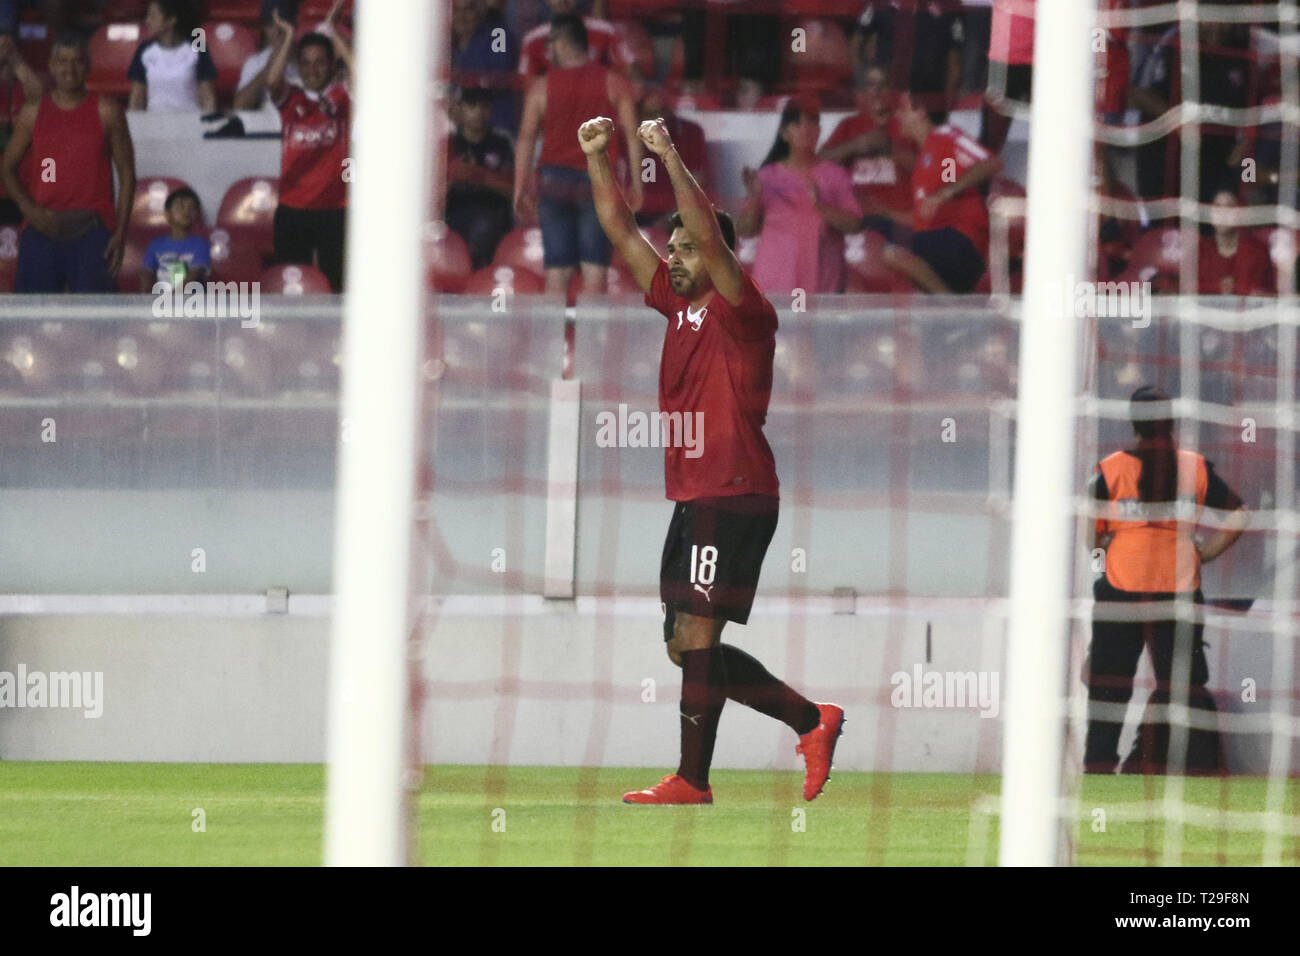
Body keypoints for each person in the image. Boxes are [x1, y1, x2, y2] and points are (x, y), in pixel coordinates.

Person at [581, 109, 845, 805]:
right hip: (694, 494)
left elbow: (705, 232)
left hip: (735, 488)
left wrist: (668, 155)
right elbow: (616, 229)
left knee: (697, 633)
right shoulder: (675, 302)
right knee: (684, 647)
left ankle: (692, 781)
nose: (675, 254)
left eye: (688, 246)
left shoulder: (743, 308)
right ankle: (811, 719)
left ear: (720, 256)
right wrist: (597, 157)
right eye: (673, 247)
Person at [1085, 386, 1249, 775]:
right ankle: (1172, 765)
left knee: (1110, 687)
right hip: (1179, 589)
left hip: (1121, 590)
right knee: (1183, 688)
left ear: (1133, 424)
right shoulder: (1195, 467)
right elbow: (1241, 514)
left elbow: (1090, 535)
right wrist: (1206, 552)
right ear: (1172, 423)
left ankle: (1098, 769)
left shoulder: (1110, 469)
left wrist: (1099, 568)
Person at [513, 14, 640, 296]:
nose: (548, 51)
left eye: (551, 43)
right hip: (598, 182)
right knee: (596, 271)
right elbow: (632, 135)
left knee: (556, 272)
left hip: (553, 181)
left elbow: (525, 139)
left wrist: (519, 187)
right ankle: (591, 341)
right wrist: (637, 185)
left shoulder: (541, 86)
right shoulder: (614, 82)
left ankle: (550, 341)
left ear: (563, 42)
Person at [1, 29, 135, 292]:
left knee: (97, 324)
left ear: (88, 67)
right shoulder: (33, 112)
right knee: (31, 322)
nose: (69, 68)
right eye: (62, 60)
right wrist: (29, 210)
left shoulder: (108, 111)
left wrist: (120, 233)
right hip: (41, 226)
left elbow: (127, 174)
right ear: (51, 66)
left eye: (77, 60)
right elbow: (6, 168)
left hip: (92, 229)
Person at [736, 94, 862, 296]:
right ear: (785, 134)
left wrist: (821, 207)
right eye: (798, 124)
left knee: (815, 327)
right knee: (782, 328)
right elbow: (746, 231)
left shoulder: (835, 175)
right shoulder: (767, 176)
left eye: (812, 123)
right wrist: (754, 198)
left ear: (819, 130)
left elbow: (855, 224)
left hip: (821, 282)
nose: (806, 129)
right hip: (775, 281)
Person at [266, 2, 351, 291]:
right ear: (298, 66)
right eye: (306, 62)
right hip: (292, 208)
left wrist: (334, 33)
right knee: (291, 284)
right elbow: (272, 80)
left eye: (320, 62)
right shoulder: (291, 99)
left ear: (331, 64)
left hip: (335, 209)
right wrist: (288, 37)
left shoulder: (343, 98)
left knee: (338, 286)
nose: (313, 69)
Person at [882, 93, 1002, 293]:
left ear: (920, 112)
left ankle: (948, 305)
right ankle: (947, 305)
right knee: (890, 249)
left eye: (902, 109)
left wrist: (947, 192)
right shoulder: (925, 159)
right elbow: (946, 181)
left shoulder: (947, 135)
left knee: (894, 251)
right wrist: (880, 212)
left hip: (962, 240)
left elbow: (991, 163)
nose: (897, 115)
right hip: (940, 246)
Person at [818, 64, 914, 242]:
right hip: (852, 219)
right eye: (871, 85)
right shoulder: (849, 125)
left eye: (883, 85)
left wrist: (890, 151)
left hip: (895, 219)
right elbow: (817, 164)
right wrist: (855, 145)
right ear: (862, 92)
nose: (877, 91)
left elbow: (928, 168)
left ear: (893, 91)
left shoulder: (908, 124)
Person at [445, 86, 514, 270]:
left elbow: (513, 191)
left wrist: (478, 175)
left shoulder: (502, 143)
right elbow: (432, 193)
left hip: (491, 212)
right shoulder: (448, 144)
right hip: (453, 213)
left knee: (484, 229)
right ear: (461, 109)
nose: (478, 112)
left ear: (490, 110)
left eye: (484, 106)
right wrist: (454, 174)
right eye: (472, 106)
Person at [632, 82, 710, 230]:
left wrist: (672, 216)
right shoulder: (629, 137)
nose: (656, 120)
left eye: (661, 112)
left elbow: (696, 182)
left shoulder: (690, 132)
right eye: (649, 114)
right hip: (637, 216)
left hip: (678, 215)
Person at [127, 0, 218, 113]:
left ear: (171, 20)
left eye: (153, 16)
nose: (147, 21)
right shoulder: (144, 50)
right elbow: (136, 99)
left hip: (189, 123)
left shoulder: (197, 47)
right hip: (155, 123)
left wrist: (205, 126)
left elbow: (208, 98)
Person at [516, 0, 628, 79]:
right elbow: (528, 88)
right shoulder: (532, 40)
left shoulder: (606, 31)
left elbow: (629, 74)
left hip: (596, 108)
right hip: (555, 108)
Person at [0, 28, 44, 225]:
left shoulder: (29, 85)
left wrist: (15, 59)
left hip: (27, 190)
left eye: (7, 48)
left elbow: (40, 98)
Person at [1197, 188, 1274, 296]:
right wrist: (1217, 288)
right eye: (1217, 207)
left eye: (1229, 207)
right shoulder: (1199, 252)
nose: (1223, 213)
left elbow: (1270, 295)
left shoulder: (1258, 251)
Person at [232, 0, 301, 114]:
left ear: (294, 24)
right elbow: (239, 106)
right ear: (264, 28)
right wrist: (269, 67)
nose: (277, 31)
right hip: (268, 126)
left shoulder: (309, 58)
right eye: (271, 25)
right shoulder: (256, 62)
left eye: (283, 23)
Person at [139, 186, 209, 291]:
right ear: (168, 214)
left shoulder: (200, 244)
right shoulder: (156, 245)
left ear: (196, 214)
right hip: (162, 301)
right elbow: (147, 273)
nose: (186, 212)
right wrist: (146, 294)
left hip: (192, 303)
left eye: (191, 208)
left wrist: (170, 299)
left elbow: (194, 275)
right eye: (180, 207)